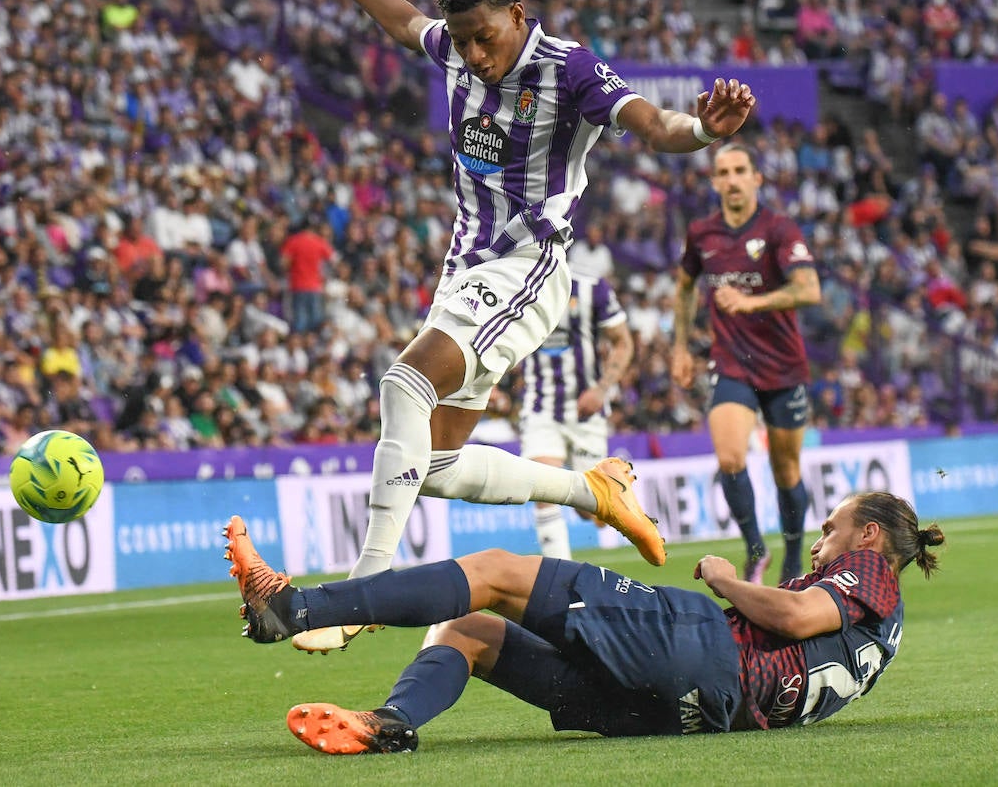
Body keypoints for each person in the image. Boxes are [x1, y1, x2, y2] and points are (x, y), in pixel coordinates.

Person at [296, 0, 757, 652]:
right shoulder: (452, 44)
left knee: (403, 384)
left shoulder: (568, 68)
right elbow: (406, 21)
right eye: (464, 39)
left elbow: (652, 123)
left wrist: (703, 131)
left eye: (487, 36)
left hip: (530, 266)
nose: (475, 54)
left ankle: (363, 590)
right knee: (435, 466)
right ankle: (592, 490)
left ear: (517, 13)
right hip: (465, 268)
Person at [223, 490, 945, 753]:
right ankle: (390, 725)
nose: (820, 542)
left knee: (500, 571)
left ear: (871, 536)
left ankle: (294, 606)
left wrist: (726, 578)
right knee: (468, 630)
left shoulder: (872, 574)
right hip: (694, 715)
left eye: (832, 528)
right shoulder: (882, 627)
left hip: (701, 653)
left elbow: (791, 615)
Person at [671, 144, 821, 584]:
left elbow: (809, 289)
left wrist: (751, 300)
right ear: (714, 181)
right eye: (723, 172)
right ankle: (756, 549)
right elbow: (683, 286)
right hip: (732, 362)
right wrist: (680, 346)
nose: (732, 179)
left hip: (783, 366)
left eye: (740, 170)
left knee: (785, 468)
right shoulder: (702, 233)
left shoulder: (779, 229)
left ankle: (794, 557)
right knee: (731, 456)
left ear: (757, 177)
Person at [519, 273, 634, 559]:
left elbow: (623, 341)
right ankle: (559, 584)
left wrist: (602, 389)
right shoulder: (517, 283)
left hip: (587, 412)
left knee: (591, 511)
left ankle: (615, 497)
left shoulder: (591, 287)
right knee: (543, 490)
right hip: (540, 407)